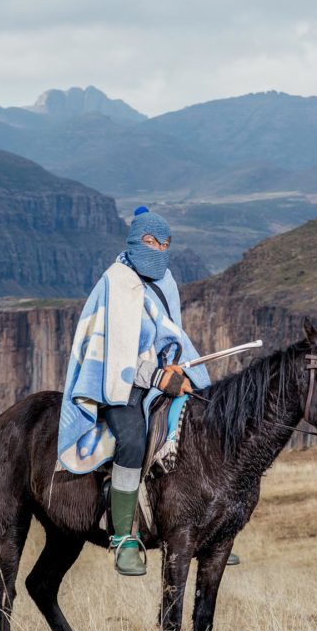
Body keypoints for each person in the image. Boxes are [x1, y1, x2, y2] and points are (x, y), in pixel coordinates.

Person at [57, 207, 212, 576]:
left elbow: (170, 333)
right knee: (132, 441)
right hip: (122, 386)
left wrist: (177, 368)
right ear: (134, 241)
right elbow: (115, 355)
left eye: (165, 243)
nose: (158, 249)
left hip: (164, 376)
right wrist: (157, 376)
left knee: (199, 428)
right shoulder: (116, 283)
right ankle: (123, 537)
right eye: (150, 241)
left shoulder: (167, 281)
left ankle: (204, 531)